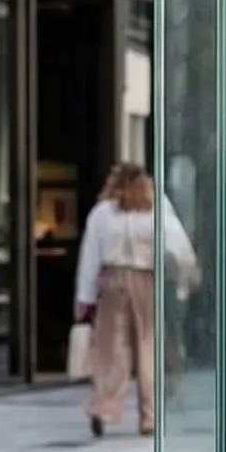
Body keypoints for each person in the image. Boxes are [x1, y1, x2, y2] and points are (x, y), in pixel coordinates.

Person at [76, 162, 197, 437]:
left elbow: (90, 257)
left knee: (112, 349)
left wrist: (85, 297)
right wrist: (186, 276)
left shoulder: (102, 213)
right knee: (148, 347)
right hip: (146, 279)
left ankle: (104, 407)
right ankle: (149, 416)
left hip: (112, 281)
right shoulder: (156, 208)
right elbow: (178, 244)